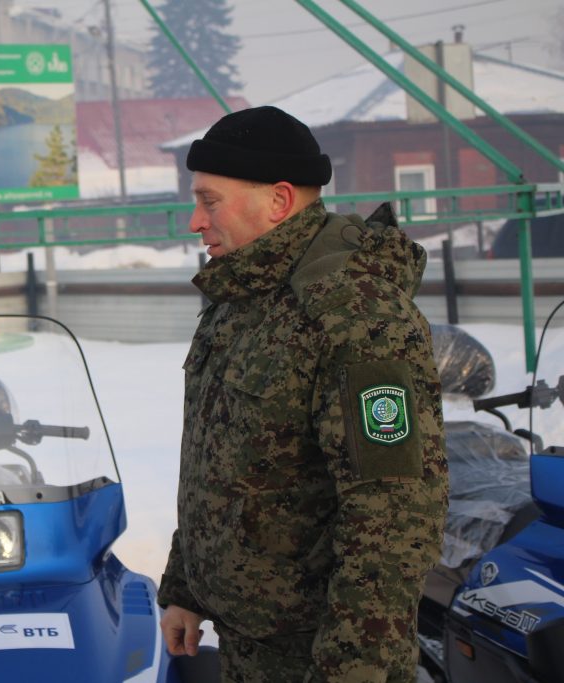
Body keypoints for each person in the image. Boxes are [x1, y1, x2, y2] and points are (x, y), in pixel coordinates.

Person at [157, 106, 448, 682]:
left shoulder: (355, 317)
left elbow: (392, 516)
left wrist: (350, 673)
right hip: (249, 639)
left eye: (210, 201)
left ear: (280, 201)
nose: (195, 220)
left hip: (317, 655)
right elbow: (219, 464)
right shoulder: (243, 299)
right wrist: (186, 585)